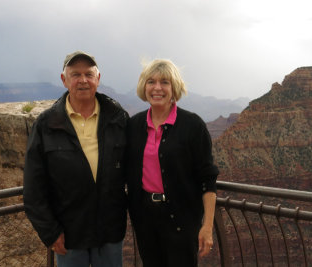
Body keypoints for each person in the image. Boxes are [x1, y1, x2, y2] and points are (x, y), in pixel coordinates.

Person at [23, 51, 129, 267]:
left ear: (98, 79)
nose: (83, 80)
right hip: (68, 234)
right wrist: (50, 233)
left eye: (89, 74)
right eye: (75, 74)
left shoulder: (118, 119)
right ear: (64, 80)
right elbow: (34, 187)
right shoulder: (46, 124)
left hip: (110, 232)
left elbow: (136, 171)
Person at [126, 59, 219, 267]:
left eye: (165, 82)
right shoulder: (133, 126)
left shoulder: (193, 125)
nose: (157, 88)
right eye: (151, 82)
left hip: (182, 220)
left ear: (174, 87)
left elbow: (207, 178)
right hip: (145, 219)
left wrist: (207, 226)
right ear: (144, 86)